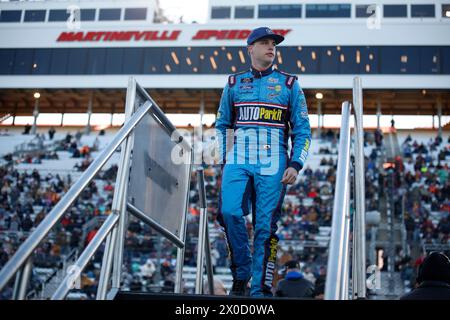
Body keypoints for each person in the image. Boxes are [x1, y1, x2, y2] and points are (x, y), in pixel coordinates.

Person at [215, 27, 311, 297]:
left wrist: (295, 164)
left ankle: (260, 291)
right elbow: (222, 125)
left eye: (274, 43)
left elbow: (303, 129)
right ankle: (241, 272)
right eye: (264, 43)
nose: (271, 47)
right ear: (250, 48)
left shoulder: (290, 84)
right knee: (229, 212)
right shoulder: (234, 83)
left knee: (264, 227)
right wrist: (228, 156)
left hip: (275, 160)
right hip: (239, 158)